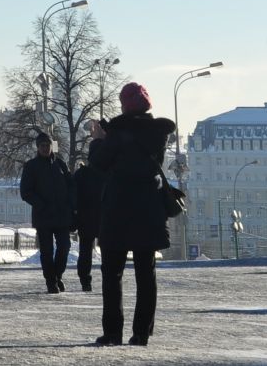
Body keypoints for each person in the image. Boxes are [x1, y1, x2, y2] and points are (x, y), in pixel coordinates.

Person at [88, 82, 176, 348]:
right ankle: (141, 333)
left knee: (112, 273)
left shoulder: (117, 133)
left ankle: (113, 332)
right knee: (145, 274)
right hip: (148, 209)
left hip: (118, 209)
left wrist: (98, 141)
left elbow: (98, 164)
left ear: (125, 104)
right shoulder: (159, 133)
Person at [19, 129, 76, 294]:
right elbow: (26, 192)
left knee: (64, 246)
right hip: (43, 216)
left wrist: (72, 205)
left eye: (48, 145)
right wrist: (41, 204)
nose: (45, 148)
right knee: (47, 250)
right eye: (42, 145)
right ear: (37, 147)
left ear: (52, 146)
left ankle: (57, 275)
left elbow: (71, 185)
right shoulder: (31, 166)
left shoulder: (60, 164)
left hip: (62, 215)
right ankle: (50, 281)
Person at [72, 156, 104, 292]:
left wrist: (75, 213)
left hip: (85, 218)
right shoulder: (110, 172)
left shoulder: (81, 174)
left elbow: (73, 196)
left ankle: (85, 280)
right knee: (109, 252)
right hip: (105, 218)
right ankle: (109, 280)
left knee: (85, 251)